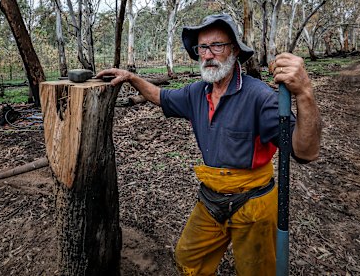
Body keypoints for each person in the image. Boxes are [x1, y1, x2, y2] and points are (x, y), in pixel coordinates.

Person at [97, 14, 321, 275]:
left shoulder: (259, 97)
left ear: (234, 50)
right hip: (211, 198)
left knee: (257, 271)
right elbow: (159, 96)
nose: (208, 54)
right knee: (187, 258)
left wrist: (305, 93)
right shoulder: (197, 93)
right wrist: (131, 78)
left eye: (217, 45)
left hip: (254, 203)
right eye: (202, 47)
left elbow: (306, 152)